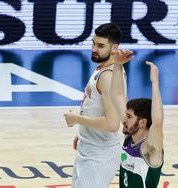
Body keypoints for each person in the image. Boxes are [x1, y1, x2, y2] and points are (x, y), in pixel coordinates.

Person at [63, 23, 133, 188]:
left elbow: (112, 124)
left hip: (100, 154)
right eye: (93, 43)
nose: (94, 49)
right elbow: (96, 108)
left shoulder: (108, 76)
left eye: (100, 46)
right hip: (91, 146)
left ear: (114, 48)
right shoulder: (105, 69)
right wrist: (83, 133)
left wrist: (77, 119)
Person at [110, 60, 164, 188]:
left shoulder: (150, 148)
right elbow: (116, 95)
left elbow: (157, 122)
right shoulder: (129, 139)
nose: (124, 120)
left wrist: (155, 82)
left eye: (129, 117)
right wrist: (117, 65)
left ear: (143, 122)